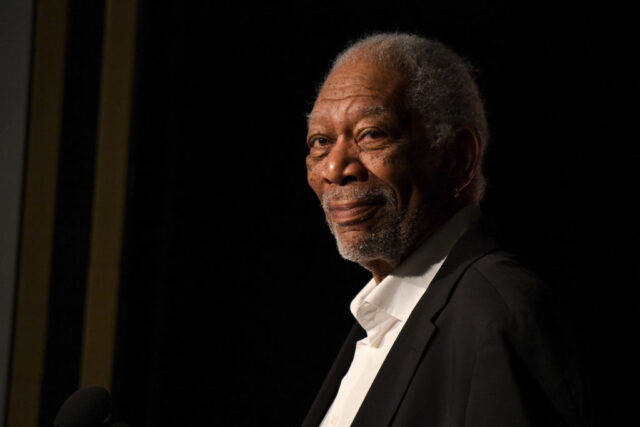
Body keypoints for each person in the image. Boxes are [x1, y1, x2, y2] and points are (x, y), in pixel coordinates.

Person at [302, 33, 588, 427]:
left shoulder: (499, 317)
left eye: (372, 134)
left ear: (457, 159)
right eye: (320, 141)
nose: (334, 168)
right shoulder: (381, 319)